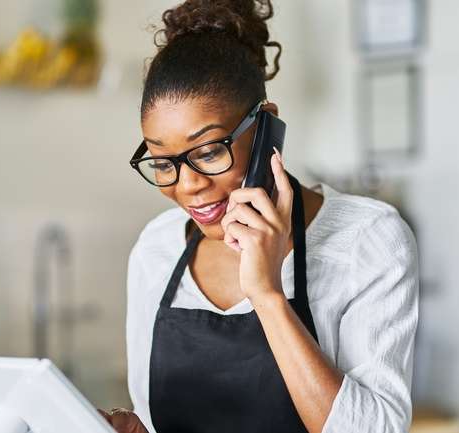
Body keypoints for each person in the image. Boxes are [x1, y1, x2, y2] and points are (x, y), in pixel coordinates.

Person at [99, 1, 419, 432]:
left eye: (210, 151)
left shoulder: (366, 239)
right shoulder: (157, 248)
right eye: (162, 162)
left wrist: (267, 296)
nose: (188, 184)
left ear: (267, 125)